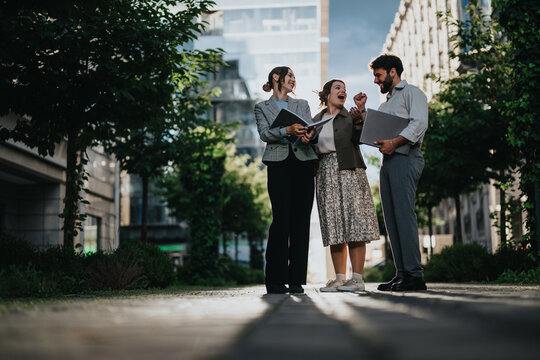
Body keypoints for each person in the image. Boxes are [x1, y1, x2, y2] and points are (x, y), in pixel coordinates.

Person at [360, 54, 428, 291]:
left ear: (392, 71)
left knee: (403, 215)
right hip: (388, 161)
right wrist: (362, 115)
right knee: (391, 219)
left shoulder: (413, 93)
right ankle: (401, 274)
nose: (376, 81)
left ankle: (414, 276)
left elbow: (419, 124)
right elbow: (376, 130)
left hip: (406, 157)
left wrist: (395, 142)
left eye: (378, 76)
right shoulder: (384, 104)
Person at [254, 66, 318, 294]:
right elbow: (264, 133)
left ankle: (296, 280)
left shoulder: (302, 104)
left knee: (301, 222)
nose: (293, 79)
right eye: (289, 75)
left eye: (294, 76)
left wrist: (310, 134)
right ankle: (275, 280)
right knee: (281, 221)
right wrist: (286, 130)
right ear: (276, 77)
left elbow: (312, 128)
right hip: (278, 164)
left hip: (303, 162)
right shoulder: (262, 107)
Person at [313, 79, 380, 293]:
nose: (343, 91)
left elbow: (364, 137)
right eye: (337, 88)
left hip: (350, 172)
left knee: (355, 222)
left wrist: (361, 113)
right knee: (334, 226)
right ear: (326, 95)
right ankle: (339, 279)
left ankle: (357, 279)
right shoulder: (315, 120)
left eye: (344, 88)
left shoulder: (350, 117)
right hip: (325, 173)